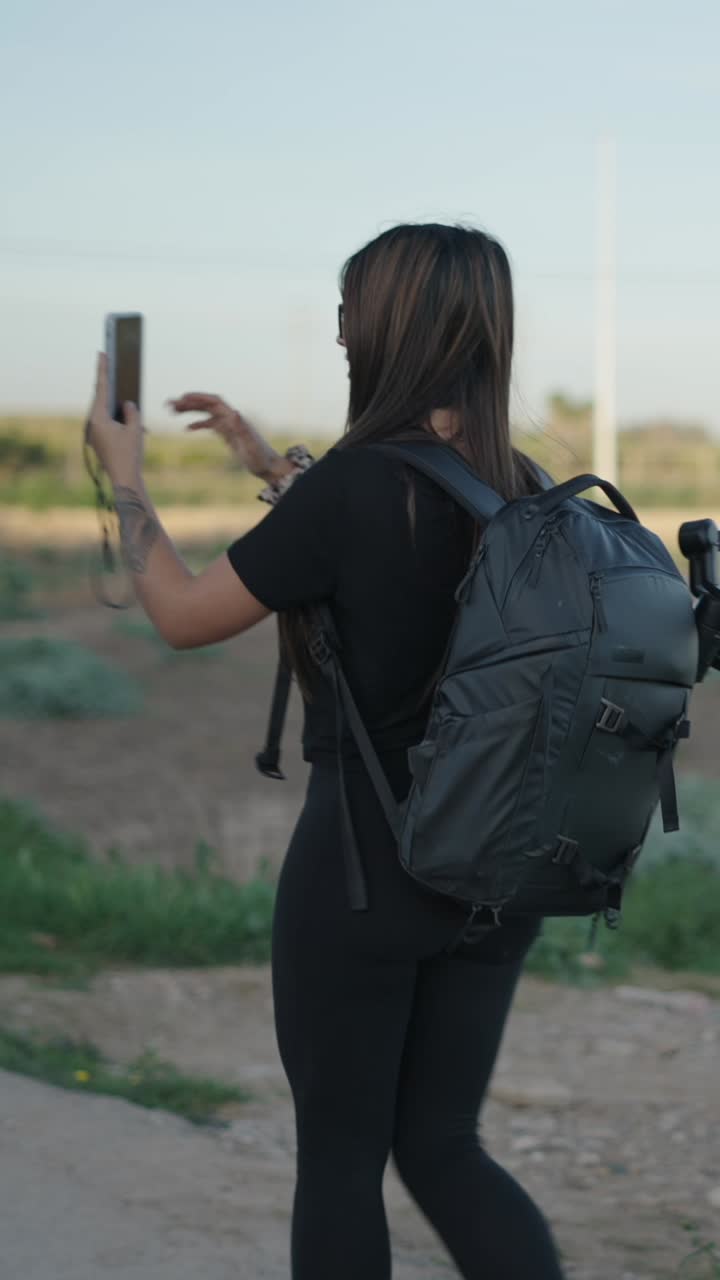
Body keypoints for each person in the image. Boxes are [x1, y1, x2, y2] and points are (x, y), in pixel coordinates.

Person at [85, 221, 566, 1280]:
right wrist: (266, 460)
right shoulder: (523, 487)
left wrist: (128, 479)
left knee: (342, 1162)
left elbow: (180, 611)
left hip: (370, 872)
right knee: (444, 1144)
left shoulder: (353, 490)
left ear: (382, 326)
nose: (341, 329)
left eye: (349, 308)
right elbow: (381, 523)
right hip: (502, 871)